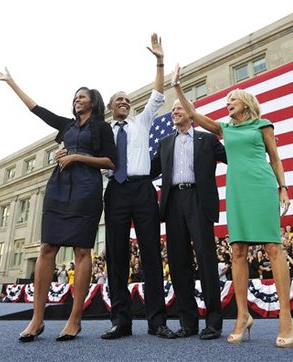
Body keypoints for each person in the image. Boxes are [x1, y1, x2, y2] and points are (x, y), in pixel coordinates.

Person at [170, 65, 293, 347]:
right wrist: (177, 88)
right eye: (226, 102)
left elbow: (275, 159)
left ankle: (285, 317)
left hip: (261, 186)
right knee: (238, 250)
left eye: (232, 101)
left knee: (273, 248)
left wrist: (282, 188)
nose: (228, 105)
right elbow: (194, 114)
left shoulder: (263, 125)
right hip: (236, 189)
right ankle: (242, 316)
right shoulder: (223, 128)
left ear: (246, 104)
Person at [0, 68, 116, 342]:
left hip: (86, 190)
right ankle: (36, 320)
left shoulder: (102, 128)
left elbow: (110, 161)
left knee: (82, 250)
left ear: (92, 102)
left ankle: (75, 319)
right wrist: (12, 82)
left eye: (82, 96)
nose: (77, 99)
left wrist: (77, 157)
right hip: (58, 188)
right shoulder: (66, 126)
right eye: (75, 96)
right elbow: (37, 109)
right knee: (47, 247)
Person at [101, 33, 175, 340]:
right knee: (116, 256)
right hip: (115, 192)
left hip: (143, 190)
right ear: (110, 106)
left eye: (128, 100)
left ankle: (157, 322)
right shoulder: (102, 132)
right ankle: (121, 321)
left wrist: (159, 60)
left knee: (150, 254)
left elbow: (158, 95)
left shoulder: (141, 123)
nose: (125, 102)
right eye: (119, 99)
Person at [150, 97, 227, 340]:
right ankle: (188, 323)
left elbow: (233, 155)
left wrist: (259, 145)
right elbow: (147, 169)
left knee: (206, 260)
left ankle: (213, 323)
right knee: (179, 264)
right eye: (172, 110)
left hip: (199, 200)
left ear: (191, 112)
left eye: (179, 108)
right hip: (173, 204)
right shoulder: (164, 143)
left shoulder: (206, 139)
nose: (174, 112)